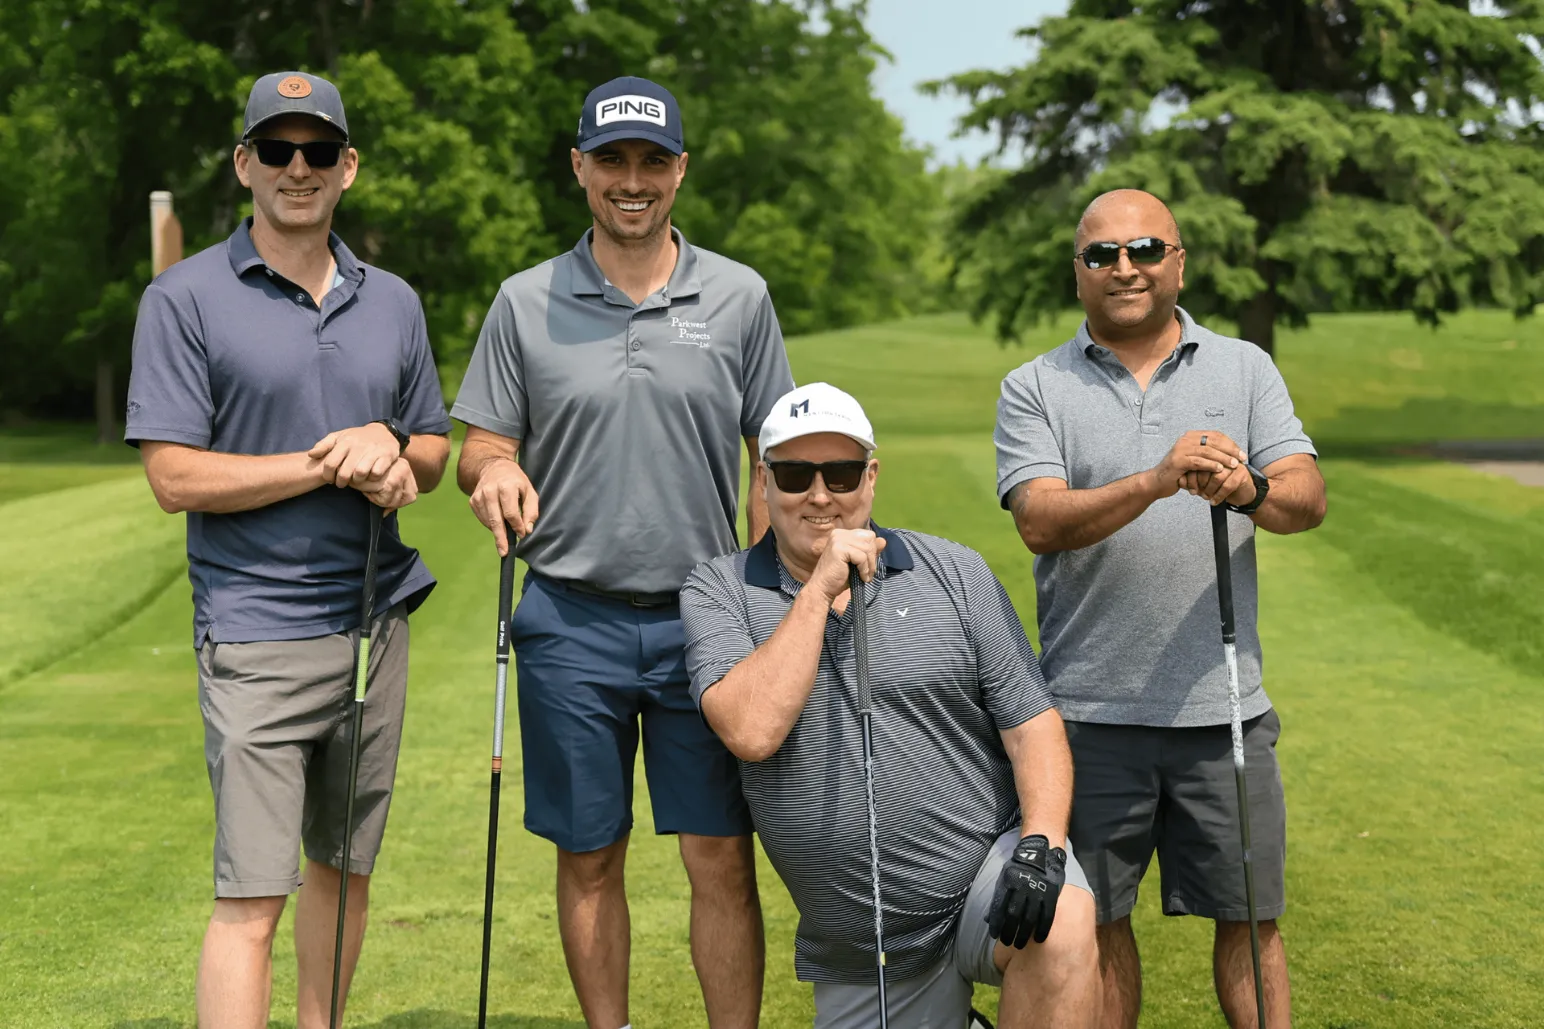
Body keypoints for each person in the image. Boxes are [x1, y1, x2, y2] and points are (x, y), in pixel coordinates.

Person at [451, 75, 793, 1029]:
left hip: (706, 616)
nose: (630, 181)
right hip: (568, 616)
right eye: (612, 161)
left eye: (651, 161)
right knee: (589, 852)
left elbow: (777, 454)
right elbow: (482, 442)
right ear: (580, 168)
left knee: (719, 852)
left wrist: (769, 603)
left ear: (679, 169)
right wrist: (493, 473)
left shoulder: (738, 296)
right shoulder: (525, 302)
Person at [124, 71, 452, 1028]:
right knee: (251, 899)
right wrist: (329, 462)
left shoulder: (392, 300)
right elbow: (173, 477)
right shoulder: (183, 299)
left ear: (348, 167)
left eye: (317, 152)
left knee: (345, 875)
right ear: (244, 165)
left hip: (373, 628)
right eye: (276, 149)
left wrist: (393, 448)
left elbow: (431, 447)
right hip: (256, 634)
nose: (296, 169)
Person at [993, 188, 1327, 1029]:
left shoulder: (1243, 367)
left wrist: (1248, 488)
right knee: (1097, 925)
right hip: (1089, 713)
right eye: (1102, 254)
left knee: (1251, 924)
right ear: (1078, 274)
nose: (1125, 267)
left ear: (1178, 260)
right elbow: (1038, 520)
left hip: (1224, 709)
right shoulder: (1035, 386)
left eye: (1144, 248)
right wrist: (1156, 479)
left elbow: (1307, 498)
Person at [680, 382, 1102, 1029]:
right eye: (795, 474)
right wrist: (818, 589)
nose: (820, 494)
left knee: (1063, 920)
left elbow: (1032, 723)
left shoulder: (955, 572)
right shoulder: (719, 589)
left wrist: (1042, 844)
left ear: (871, 476)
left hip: (986, 882)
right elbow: (750, 728)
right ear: (763, 480)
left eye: (842, 472)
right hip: (864, 949)